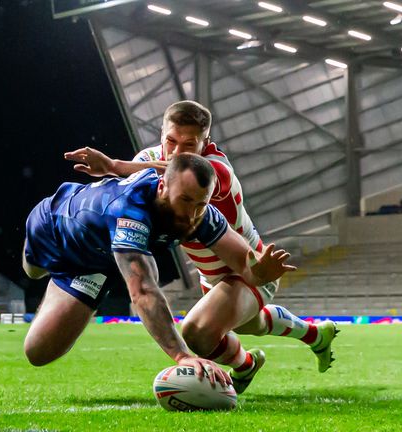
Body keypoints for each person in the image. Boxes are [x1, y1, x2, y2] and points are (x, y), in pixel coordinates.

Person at [65, 101, 337, 393]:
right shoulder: (147, 159)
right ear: (161, 134)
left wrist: (115, 166)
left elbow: (180, 174)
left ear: (206, 143)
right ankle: (314, 336)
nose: (178, 151)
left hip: (251, 268)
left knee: (197, 332)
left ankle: (245, 365)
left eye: (189, 144)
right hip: (211, 277)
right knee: (249, 324)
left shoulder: (215, 168)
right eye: (171, 141)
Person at [22, 153, 295, 387]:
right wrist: (182, 356)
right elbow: (143, 292)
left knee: (38, 352)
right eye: (185, 200)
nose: (191, 214)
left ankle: (70, 286)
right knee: (33, 271)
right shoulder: (129, 212)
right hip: (52, 226)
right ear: (162, 187)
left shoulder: (202, 214)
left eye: (201, 204)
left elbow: (244, 263)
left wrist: (260, 272)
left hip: (96, 264)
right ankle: (44, 270)